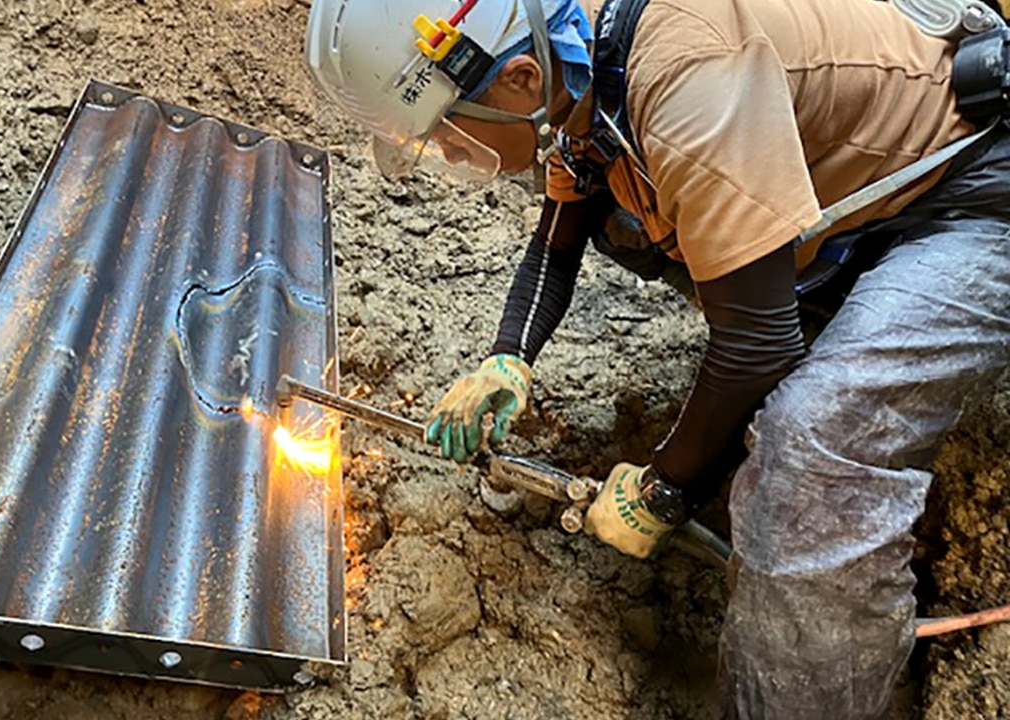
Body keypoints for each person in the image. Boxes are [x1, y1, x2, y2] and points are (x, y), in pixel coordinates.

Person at [305, 0, 1010, 717]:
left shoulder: (684, 77)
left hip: (968, 199)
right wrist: (506, 359)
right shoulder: (580, 73)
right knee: (624, 217)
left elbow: (760, 345)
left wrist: (664, 489)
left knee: (811, 447)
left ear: (518, 78)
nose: (451, 156)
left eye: (448, 136)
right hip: (856, 207)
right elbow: (559, 236)